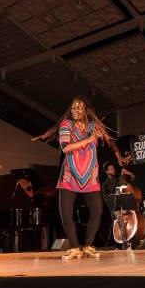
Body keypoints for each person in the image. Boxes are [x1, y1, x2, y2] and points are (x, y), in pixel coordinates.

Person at [33, 97, 127, 259]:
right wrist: (89, 140)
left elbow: (110, 140)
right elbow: (66, 147)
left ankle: (88, 246)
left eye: (79, 108)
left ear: (86, 110)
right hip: (70, 175)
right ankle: (75, 247)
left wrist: (118, 155)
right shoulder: (66, 125)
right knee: (66, 213)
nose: (75, 111)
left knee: (97, 211)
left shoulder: (93, 126)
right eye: (73, 108)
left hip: (90, 176)